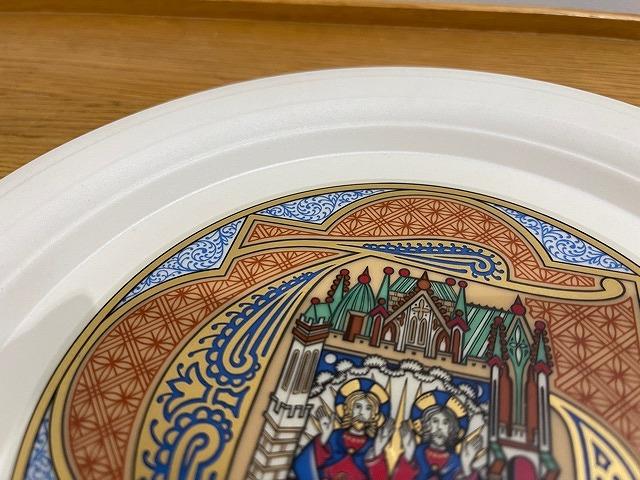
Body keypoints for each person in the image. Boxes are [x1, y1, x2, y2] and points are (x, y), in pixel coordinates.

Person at [293, 387, 393, 479]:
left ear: (374, 415)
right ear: (348, 409)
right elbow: (304, 465)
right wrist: (324, 437)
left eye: (368, 408)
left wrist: (377, 452)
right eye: (358, 406)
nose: (361, 412)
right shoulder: (334, 437)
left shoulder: (372, 445)